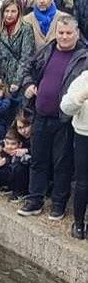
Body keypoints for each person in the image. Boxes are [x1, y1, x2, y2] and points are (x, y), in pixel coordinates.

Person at [18, 15, 88, 220]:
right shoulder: (47, 50)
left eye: (68, 33)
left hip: (64, 118)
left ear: (76, 33)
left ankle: (58, 203)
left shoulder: (83, 57)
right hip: (40, 114)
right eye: (61, 33)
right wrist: (29, 85)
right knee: (38, 160)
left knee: (62, 163)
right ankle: (35, 199)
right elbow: (29, 70)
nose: (64, 37)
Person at [60, 64, 88, 238]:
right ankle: (78, 223)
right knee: (83, 182)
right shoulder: (82, 80)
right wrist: (82, 96)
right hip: (83, 135)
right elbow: (66, 107)